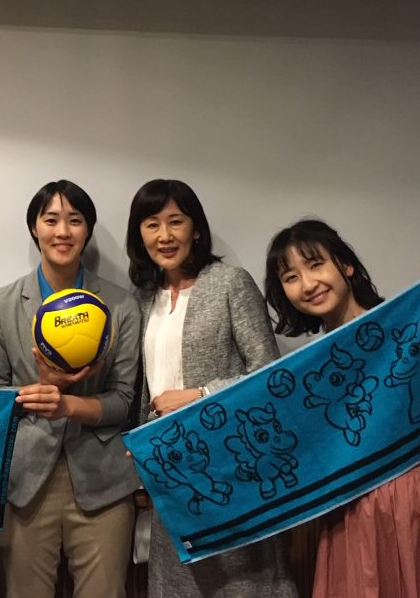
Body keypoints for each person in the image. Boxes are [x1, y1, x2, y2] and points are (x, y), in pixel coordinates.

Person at [263, 218, 420, 598]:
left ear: (345, 265)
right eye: (291, 277)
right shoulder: (309, 374)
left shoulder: (413, 330)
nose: (307, 284)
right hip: (355, 514)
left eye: (316, 265)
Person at [125, 179, 298, 598]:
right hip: (169, 470)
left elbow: (269, 375)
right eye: (152, 224)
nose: (164, 235)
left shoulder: (229, 282)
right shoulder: (143, 297)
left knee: (245, 584)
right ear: (140, 235)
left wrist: (201, 394)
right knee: (176, 584)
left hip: (232, 466)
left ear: (196, 230)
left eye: (176, 222)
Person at [0, 180, 141, 598]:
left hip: (104, 480)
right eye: (51, 220)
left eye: (75, 220)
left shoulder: (121, 304)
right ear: (34, 228)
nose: (62, 232)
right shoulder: (1, 305)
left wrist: (67, 404)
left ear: (88, 230)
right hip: (24, 480)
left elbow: (124, 401)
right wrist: (40, 390)